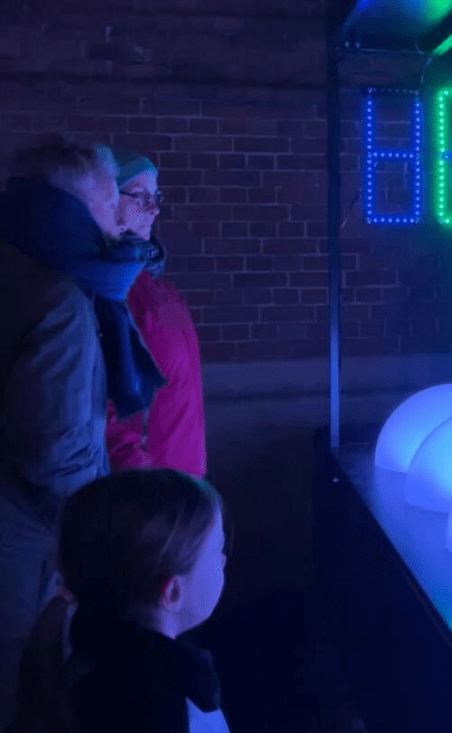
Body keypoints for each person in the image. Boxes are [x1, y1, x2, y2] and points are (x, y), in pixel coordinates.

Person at [0, 138, 165, 727]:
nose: (115, 226)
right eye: (105, 207)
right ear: (68, 208)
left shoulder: (19, 270)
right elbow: (57, 452)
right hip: (26, 553)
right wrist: (94, 540)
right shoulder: (61, 302)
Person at [6, 469, 230, 733]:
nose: (224, 560)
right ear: (172, 593)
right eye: (218, 550)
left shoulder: (71, 627)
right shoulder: (176, 710)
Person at [105, 149, 207, 478]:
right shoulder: (111, 289)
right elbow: (104, 407)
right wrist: (142, 478)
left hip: (182, 481)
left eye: (156, 196)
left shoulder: (157, 285)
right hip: (151, 496)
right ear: (106, 201)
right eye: (139, 196)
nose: (153, 208)